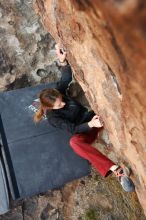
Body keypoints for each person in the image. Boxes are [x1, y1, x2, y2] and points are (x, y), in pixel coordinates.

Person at [34, 43, 135, 192]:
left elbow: (65, 78)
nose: (62, 103)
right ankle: (117, 171)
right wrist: (90, 125)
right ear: (50, 108)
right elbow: (73, 129)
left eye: (61, 99)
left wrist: (62, 60)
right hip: (85, 129)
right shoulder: (53, 118)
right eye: (58, 104)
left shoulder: (57, 93)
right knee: (74, 143)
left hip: (93, 117)